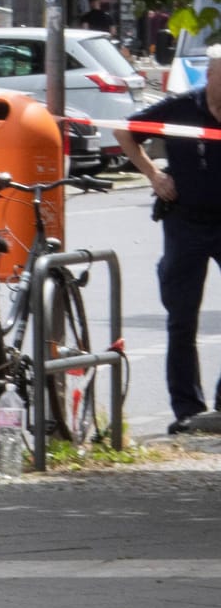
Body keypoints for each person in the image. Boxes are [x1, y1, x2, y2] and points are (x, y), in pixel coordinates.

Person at [114, 45, 221, 435]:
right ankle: (188, 410)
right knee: (182, 321)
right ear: (209, 77)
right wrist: (153, 175)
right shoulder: (180, 108)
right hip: (186, 223)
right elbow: (124, 131)